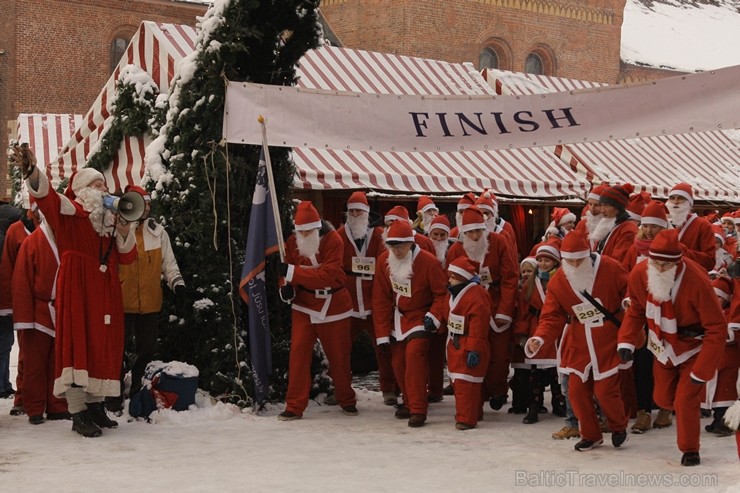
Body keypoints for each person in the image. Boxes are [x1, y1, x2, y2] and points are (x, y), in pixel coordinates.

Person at [14, 145, 137, 438]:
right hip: (79, 288)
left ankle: (96, 407)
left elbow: (128, 257)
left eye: (105, 184)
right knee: (78, 345)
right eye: (97, 185)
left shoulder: (107, 226)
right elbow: (45, 198)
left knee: (100, 345)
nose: (104, 189)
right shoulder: (70, 213)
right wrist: (32, 172)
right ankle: (78, 412)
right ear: (83, 190)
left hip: (104, 290)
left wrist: (122, 229)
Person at [618, 229, 727, 466]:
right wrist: (626, 340)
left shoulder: (697, 280)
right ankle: (672, 407)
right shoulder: (640, 273)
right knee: (663, 399)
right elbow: (636, 308)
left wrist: (703, 370)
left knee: (685, 399)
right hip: (661, 345)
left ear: (677, 263)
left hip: (692, 346)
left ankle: (690, 450)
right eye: (655, 262)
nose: (659, 268)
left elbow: (717, 327)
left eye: (666, 265)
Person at [526, 230, 630, 452]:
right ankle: (590, 434)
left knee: (605, 391)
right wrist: (539, 337)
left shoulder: (610, 267)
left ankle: (618, 426)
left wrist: (629, 305)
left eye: (579, 260)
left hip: (608, 336)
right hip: (579, 339)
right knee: (576, 391)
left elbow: (629, 289)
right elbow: (551, 315)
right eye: (569, 261)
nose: (574, 264)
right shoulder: (559, 281)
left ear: (588, 255)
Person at [106, 185, 185, 414]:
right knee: (117, 351)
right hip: (121, 302)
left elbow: (168, 264)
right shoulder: (118, 230)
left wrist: (177, 283)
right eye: (143, 202)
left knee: (147, 348)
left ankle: (137, 388)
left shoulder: (158, 232)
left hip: (149, 302)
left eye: (149, 203)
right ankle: (114, 394)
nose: (147, 207)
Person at [277, 201, 357, 421]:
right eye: (300, 231)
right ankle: (294, 405)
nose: (303, 234)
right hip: (303, 305)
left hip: (334, 306)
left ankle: (346, 398)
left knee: (338, 357)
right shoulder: (292, 243)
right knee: (298, 355)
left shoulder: (333, 241)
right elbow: (286, 274)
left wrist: (294, 273)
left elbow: (328, 275)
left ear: (317, 227)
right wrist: (286, 287)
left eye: (308, 231)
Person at [373, 220, 447, 427]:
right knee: (398, 362)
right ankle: (408, 400)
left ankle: (418, 409)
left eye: (401, 246)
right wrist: (381, 332)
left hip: (421, 316)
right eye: (392, 246)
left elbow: (442, 294)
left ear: (411, 244)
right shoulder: (383, 262)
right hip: (398, 318)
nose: (396, 250)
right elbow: (380, 298)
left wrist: (434, 316)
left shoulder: (429, 262)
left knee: (414, 357)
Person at [446, 206, 518, 411]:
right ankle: (479, 393)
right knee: (472, 349)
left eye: (479, 230)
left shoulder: (499, 242)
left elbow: (510, 277)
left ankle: (498, 390)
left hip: (496, 304)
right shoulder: (455, 250)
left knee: (499, 354)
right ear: (463, 232)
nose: (476, 236)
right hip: (468, 308)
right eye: (471, 232)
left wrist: (505, 309)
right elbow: (448, 283)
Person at [336, 191, 397, 406]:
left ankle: (389, 388)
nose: (355, 214)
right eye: (351, 211)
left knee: (384, 347)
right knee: (341, 349)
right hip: (348, 303)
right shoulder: (339, 235)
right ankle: (342, 390)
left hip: (374, 302)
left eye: (359, 211)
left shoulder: (380, 235)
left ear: (367, 212)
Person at [11, 213, 70, 424]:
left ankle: (56, 405)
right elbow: (21, 281)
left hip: (61, 309)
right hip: (37, 313)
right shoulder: (32, 243)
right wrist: (24, 317)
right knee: (34, 364)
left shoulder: (67, 240)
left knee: (58, 362)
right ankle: (34, 407)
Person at [621, 200, 673, 433]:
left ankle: (665, 407)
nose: (650, 230)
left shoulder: (673, 249)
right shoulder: (635, 248)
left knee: (664, 363)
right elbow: (625, 276)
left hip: (666, 315)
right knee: (642, 364)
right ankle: (643, 412)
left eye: (655, 226)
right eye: (647, 226)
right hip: (641, 315)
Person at [514, 240, 566, 424]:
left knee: (555, 371)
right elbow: (522, 310)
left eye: (547, 260)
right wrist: (521, 334)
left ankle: (559, 403)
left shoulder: (562, 279)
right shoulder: (529, 284)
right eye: (541, 260)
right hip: (536, 328)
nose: (543, 263)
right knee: (535, 372)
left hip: (558, 330)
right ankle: (533, 407)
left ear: (555, 262)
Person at [443, 256, 491, 430]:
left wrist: (474, 349)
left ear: (462, 277)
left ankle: (466, 418)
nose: (449, 280)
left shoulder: (477, 296)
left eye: (453, 276)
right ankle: (474, 412)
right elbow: (443, 313)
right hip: (456, 343)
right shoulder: (453, 294)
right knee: (462, 382)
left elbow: (479, 325)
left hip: (468, 344)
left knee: (466, 383)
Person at [0, 201, 39, 408]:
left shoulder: (47, 228)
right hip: (22, 297)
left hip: (37, 299)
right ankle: (22, 396)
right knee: (22, 350)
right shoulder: (15, 230)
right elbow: (7, 267)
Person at [700, 276, 738, 437]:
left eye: (719, 297)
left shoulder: (731, 312)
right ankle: (718, 420)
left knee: (724, 392)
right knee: (716, 393)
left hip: (728, 361)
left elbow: (732, 334)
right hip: (715, 359)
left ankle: (723, 422)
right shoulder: (713, 311)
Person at [666, 183, 716, 271]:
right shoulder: (663, 222)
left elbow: (709, 261)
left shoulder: (702, 225)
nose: (675, 201)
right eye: (672, 198)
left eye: (680, 198)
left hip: (691, 277)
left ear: (689, 202)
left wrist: (680, 250)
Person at [593, 183, 639, 260]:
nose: (602, 210)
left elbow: (618, 261)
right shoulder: (609, 224)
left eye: (606, 205)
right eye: (601, 205)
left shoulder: (628, 230)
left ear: (618, 207)